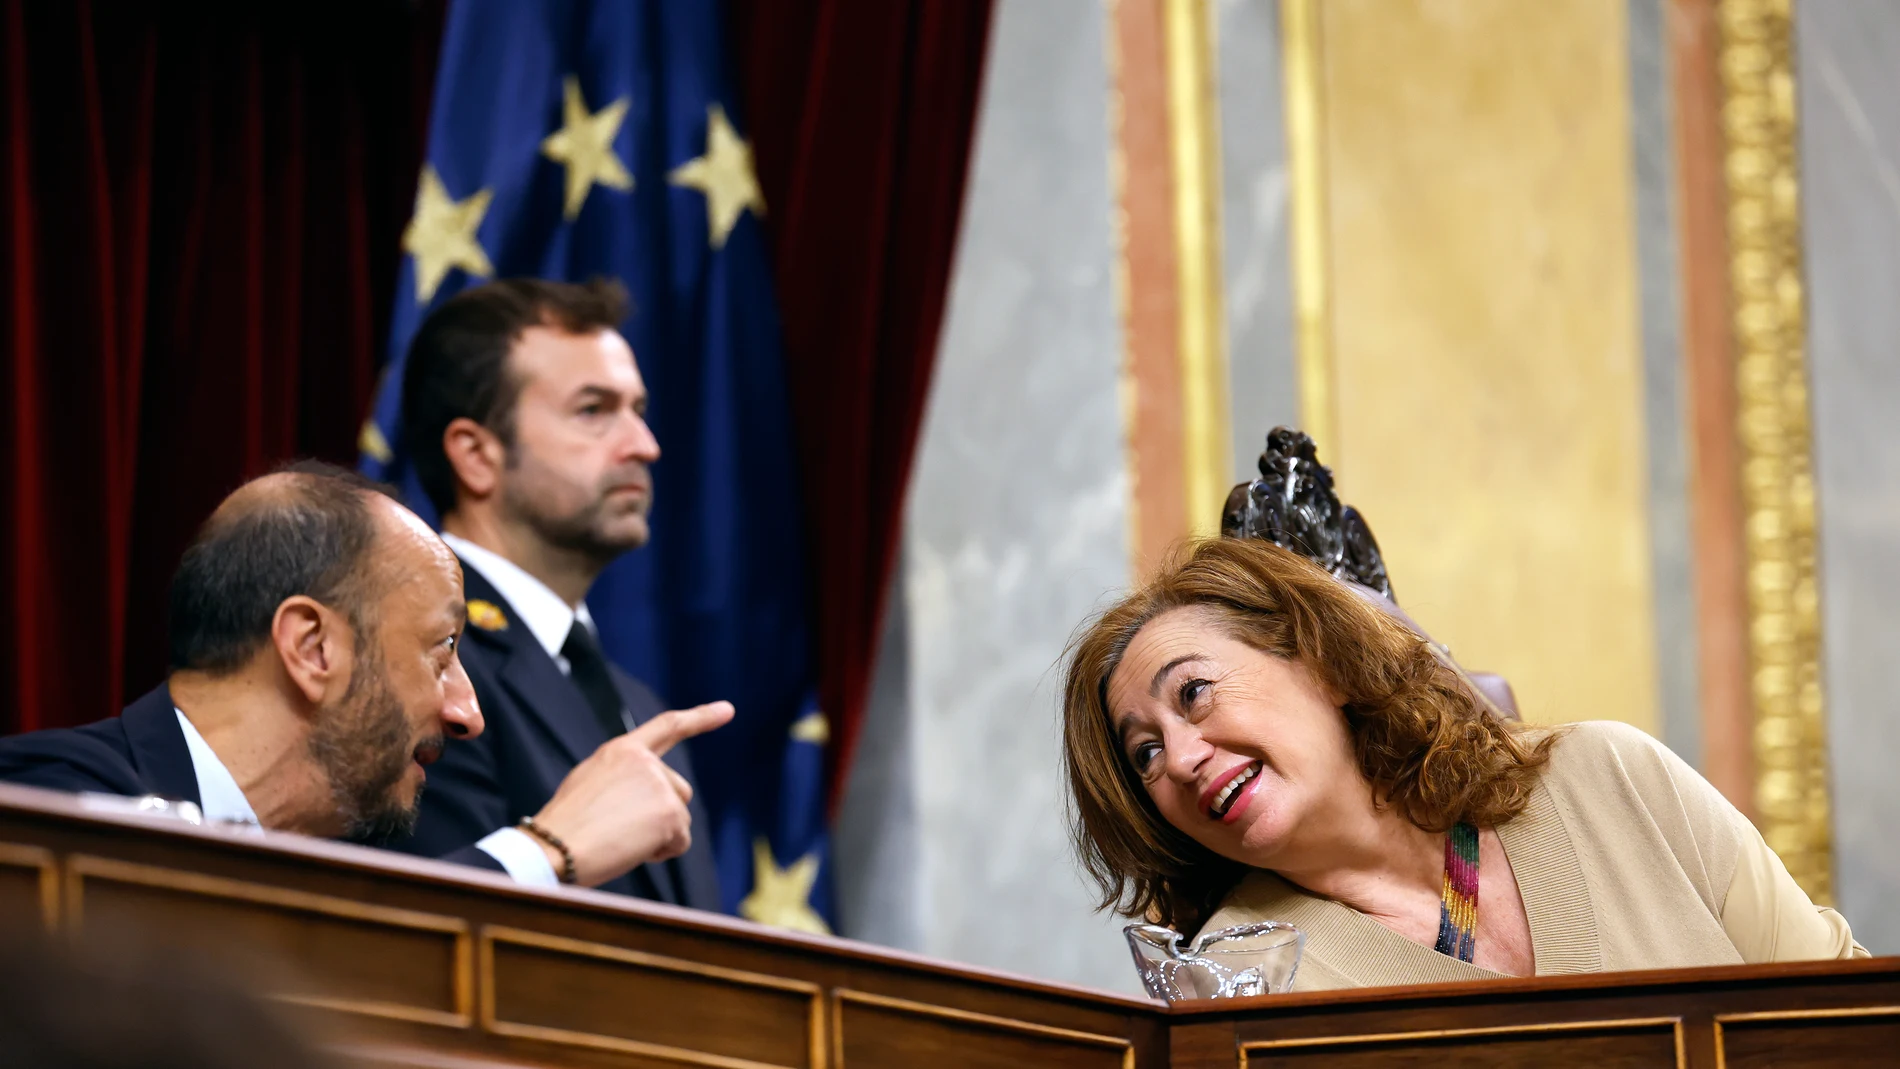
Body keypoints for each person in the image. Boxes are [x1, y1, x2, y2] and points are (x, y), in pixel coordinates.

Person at [1061, 537, 1866, 992]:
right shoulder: (1237, 979)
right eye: (1146, 754)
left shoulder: (1614, 777)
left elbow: (1852, 1017)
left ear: (1323, 664)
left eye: (1194, 692)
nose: (1184, 756)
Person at [0, 464, 706, 890]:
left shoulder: (367, 852)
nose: (468, 712)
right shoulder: (45, 800)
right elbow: (231, 974)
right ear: (312, 647)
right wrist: (545, 849)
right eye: (443, 649)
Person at [391, 277, 725, 909]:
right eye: (594, 410)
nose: (644, 446)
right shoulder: (421, 664)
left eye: (638, 409)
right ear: (476, 454)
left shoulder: (633, 700)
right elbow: (415, 931)